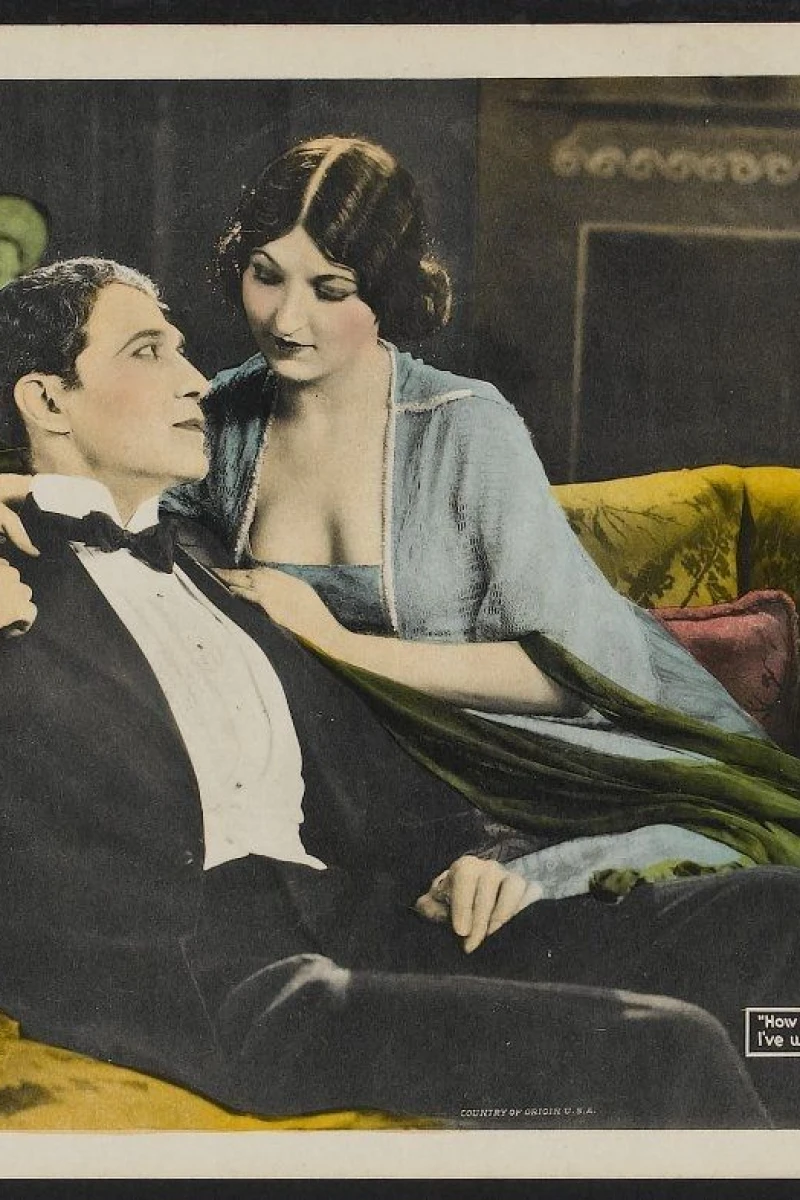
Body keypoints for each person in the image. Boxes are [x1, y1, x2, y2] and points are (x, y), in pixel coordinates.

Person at [2, 254, 800, 1130]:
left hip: (372, 924)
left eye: (183, 349)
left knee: (779, 919)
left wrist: (477, 862)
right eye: (148, 352)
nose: (195, 380)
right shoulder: (11, 577)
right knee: (665, 1046)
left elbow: (365, 764)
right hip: (212, 983)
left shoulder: (215, 569)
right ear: (46, 401)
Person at [0, 137, 790, 901]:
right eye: (266, 275)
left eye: (330, 289)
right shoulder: (218, 415)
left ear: (386, 289)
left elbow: (569, 677)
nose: (286, 318)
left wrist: (335, 641)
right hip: (349, 788)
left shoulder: (466, 427)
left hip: (525, 764)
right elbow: (101, 506)